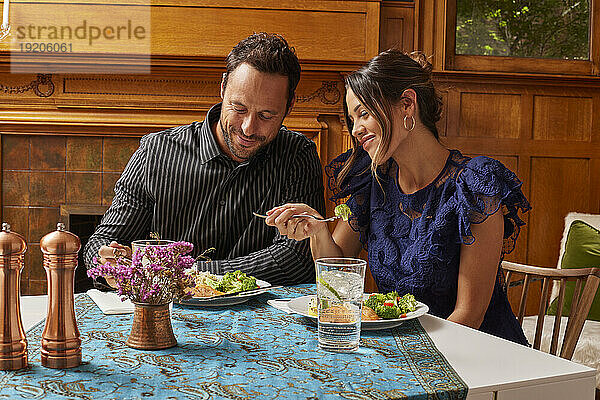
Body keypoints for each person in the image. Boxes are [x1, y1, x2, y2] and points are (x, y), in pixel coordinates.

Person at [265, 49, 530, 345]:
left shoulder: (475, 185)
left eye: (363, 114)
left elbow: (468, 317)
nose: (356, 130)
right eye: (352, 119)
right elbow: (338, 281)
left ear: (406, 104)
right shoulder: (372, 180)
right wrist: (317, 231)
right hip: (404, 350)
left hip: (481, 357)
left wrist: (399, 357)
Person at [84, 33, 325, 285]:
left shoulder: (298, 155)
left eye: (266, 115)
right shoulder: (155, 151)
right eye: (238, 108)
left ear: (290, 106)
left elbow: (296, 260)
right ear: (222, 88)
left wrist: (185, 272)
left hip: (256, 319)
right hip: (168, 315)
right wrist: (106, 261)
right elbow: (102, 241)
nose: (248, 128)